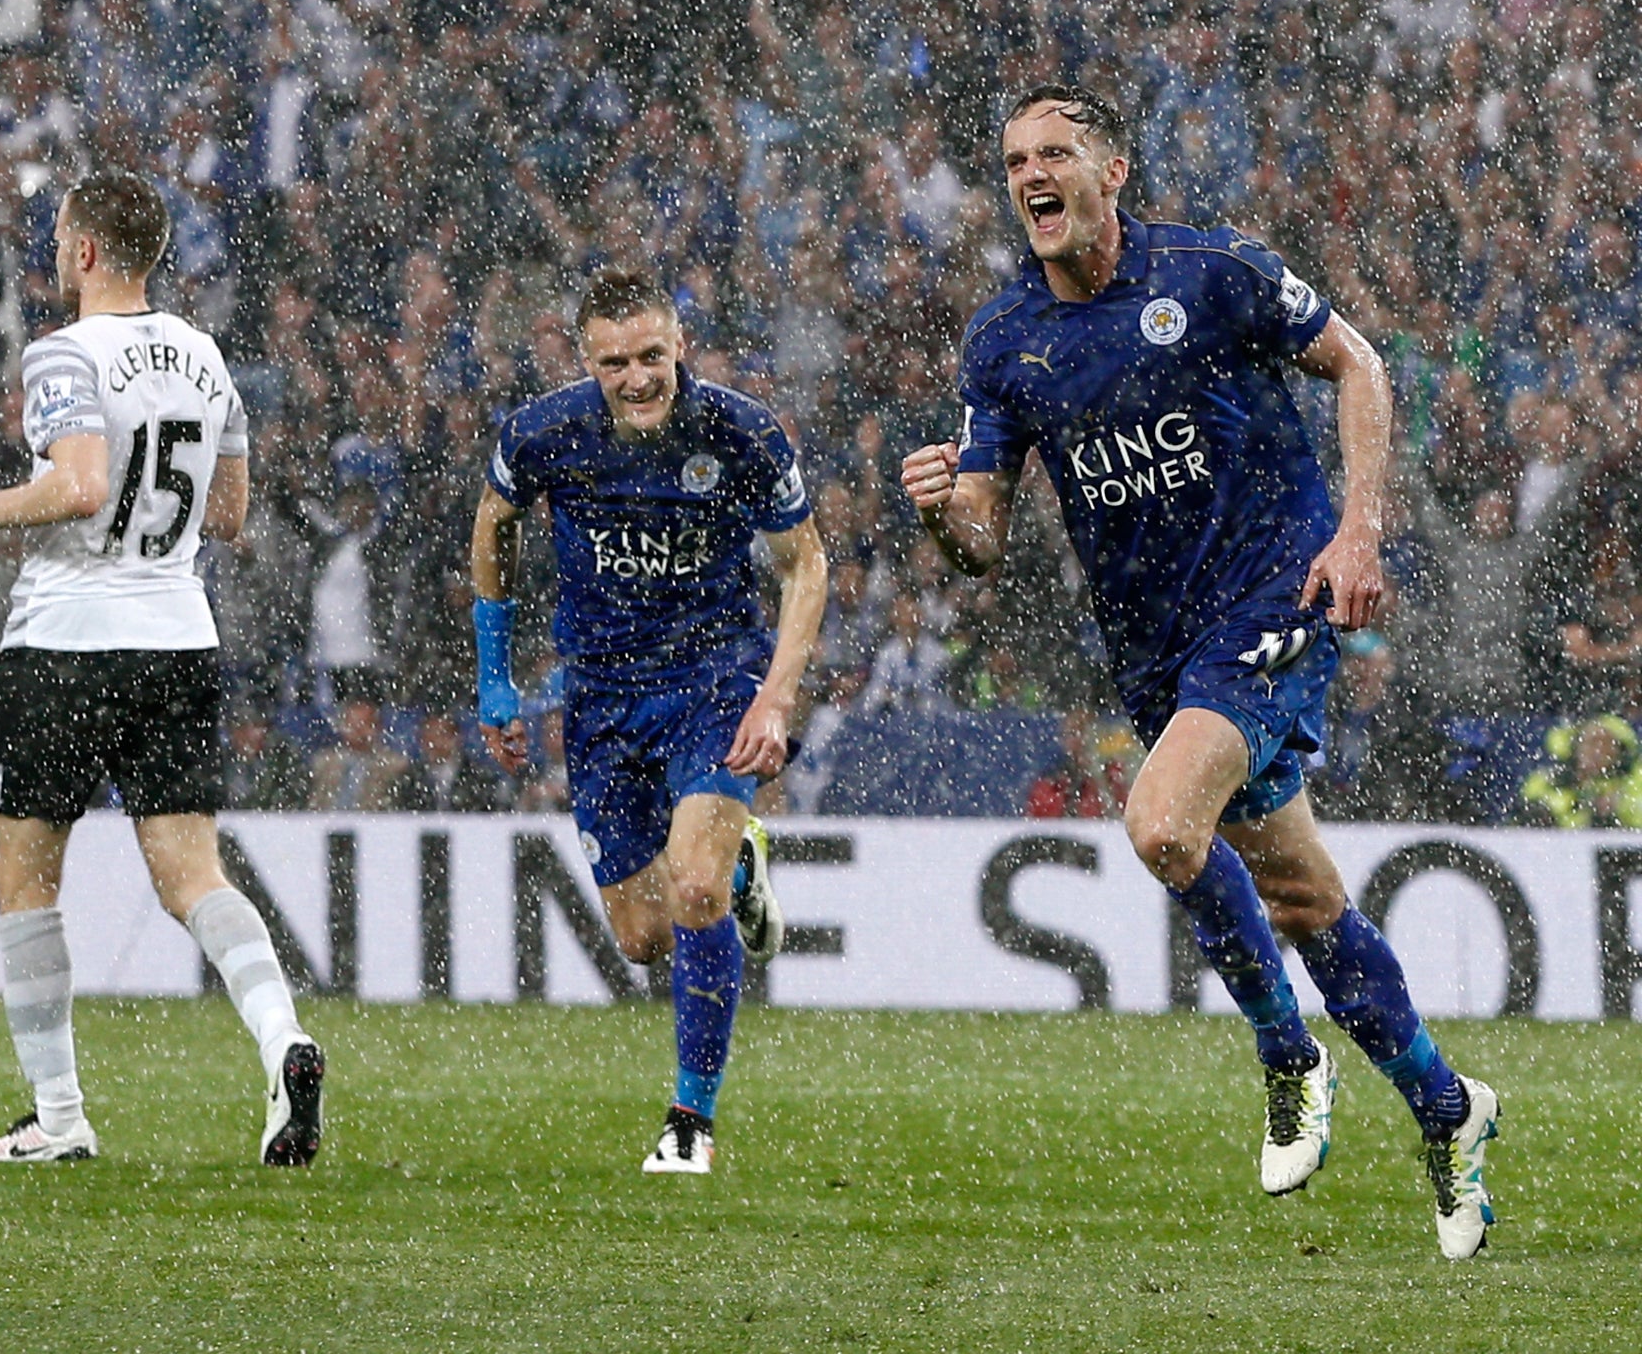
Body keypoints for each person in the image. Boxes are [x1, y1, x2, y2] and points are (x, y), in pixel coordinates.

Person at [900, 85, 1500, 1260]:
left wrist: (1358, 533)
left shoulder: (1210, 274)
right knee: (1303, 901)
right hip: (1155, 649)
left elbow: (1359, 367)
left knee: (1164, 826)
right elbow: (981, 539)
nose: (1033, 173)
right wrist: (937, 513)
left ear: (1111, 170)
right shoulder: (1001, 342)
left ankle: (1288, 1058)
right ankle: (1445, 1105)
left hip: (1275, 597)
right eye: (1016, 157)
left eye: (1056, 151)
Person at [0, 171, 321, 1166]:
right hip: (177, 637)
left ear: (81, 252)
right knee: (192, 872)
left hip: (67, 640)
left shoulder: (63, 355)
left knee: (26, 873)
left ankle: (59, 1119)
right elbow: (231, 518)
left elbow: (75, 487)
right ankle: (282, 1040)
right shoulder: (206, 357)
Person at [471, 268, 828, 1173]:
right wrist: (495, 678)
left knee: (694, 890)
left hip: (713, 680)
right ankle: (743, 865)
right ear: (585, 359)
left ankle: (689, 1122)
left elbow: (806, 565)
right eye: (614, 362)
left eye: (652, 357)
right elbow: (493, 523)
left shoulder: (741, 433)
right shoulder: (546, 434)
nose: (636, 378)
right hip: (599, 695)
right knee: (641, 940)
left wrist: (775, 696)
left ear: (683, 348)